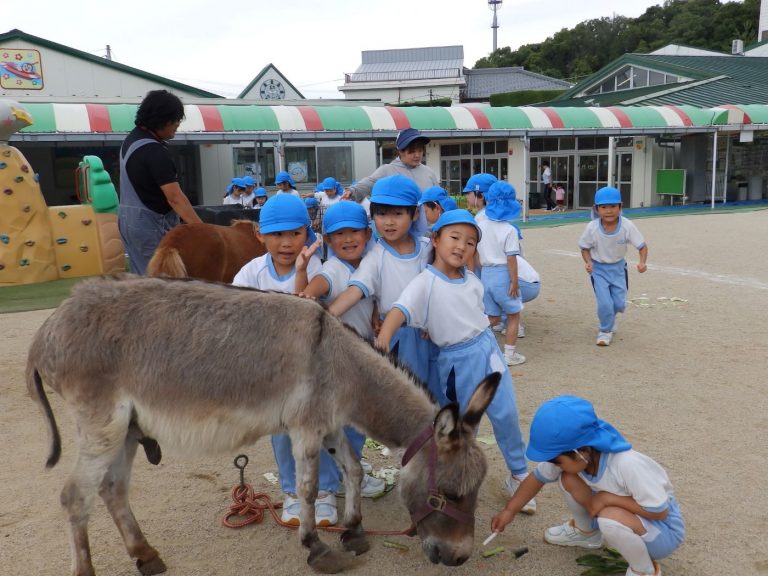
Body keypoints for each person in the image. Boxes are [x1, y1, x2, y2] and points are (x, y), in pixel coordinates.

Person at [375, 209, 536, 513]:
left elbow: (473, 314)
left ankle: (518, 473)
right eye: (454, 237)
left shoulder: (472, 280)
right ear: (435, 239)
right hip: (455, 365)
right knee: (462, 430)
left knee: (506, 413)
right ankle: (454, 480)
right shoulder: (424, 283)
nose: (462, 246)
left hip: (488, 352)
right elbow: (398, 311)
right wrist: (383, 339)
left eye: (471, 242)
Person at [231, 194, 340, 527]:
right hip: (272, 374)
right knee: (280, 434)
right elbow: (233, 312)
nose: (286, 242)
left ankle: (325, 493)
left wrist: (303, 270)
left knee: (317, 431)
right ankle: (292, 492)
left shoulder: (314, 267)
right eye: (276, 234)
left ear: (307, 233)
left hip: (310, 370)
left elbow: (307, 304)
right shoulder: (250, 273)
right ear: (260, 236)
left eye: (294, 233)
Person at [491, 396, 684, 576]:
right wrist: (509, 511)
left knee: (609, 518)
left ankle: (644, 570)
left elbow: (660, 512)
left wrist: (608, 498)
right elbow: (536, 478)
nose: (553, 465)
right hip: (633, 519)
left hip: (662, 532)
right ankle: (587, 534)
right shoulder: (578, 456)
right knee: (568, 478)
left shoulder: (626, 464)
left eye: (557, 461)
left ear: (581, 451)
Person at [295, 201, 386, 499]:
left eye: (354, 232)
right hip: (342, 360)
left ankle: (346, 469)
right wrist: (309, 293)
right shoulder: (333, 268)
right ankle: (345, 475)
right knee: (351, 421)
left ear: (368, 233)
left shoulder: (370, 263)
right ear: (329, 240)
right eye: (339, 234)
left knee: (354, 421)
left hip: (361, 355)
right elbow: (320, 284)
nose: (347, 239)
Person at [328, 175, 433, 386]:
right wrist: (324, 318)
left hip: (428, 335)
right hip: (395, 337)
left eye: (398, 213)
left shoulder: (427, 247)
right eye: (381, 214)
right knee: (401, 394)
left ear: (415, 214)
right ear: (372, 215)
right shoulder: (376, 256)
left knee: (432, 392)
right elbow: (354, 292)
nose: (389, 221)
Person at [118, 89, 202, 275]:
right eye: (175, 119)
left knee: (142, 277)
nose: (178, 125)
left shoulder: (131, 140)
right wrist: (202, 230)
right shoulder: (154, 151)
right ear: (162, 119)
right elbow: (175, 198)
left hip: (128, 221)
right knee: (161, 282)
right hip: (150, 225)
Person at [579, 186, 648, 346]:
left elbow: (642, 246)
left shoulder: (627, 226)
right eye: (603, 207)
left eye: (613, 206)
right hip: (599, 270)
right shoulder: (592, 227)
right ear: (596, 209)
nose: (608, 211)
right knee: (604, 303)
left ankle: (610, 318)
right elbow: (584, 248)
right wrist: (588, 262)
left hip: (618, 269)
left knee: (619, 304)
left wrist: (642, 262)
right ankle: (604, 331)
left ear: (620, 207)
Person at [477, 181, 526, 366]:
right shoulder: (509, 230)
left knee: (491, 317)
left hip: (485, 274)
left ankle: (473, 342)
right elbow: (511, 259)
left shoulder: (481, 225)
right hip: (502, 275)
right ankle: (509, 354)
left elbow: (475, 253)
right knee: (513, 315)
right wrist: (514, 282)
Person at [343, 128, 438, 203]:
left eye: (420, 151)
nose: (417, 155)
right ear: (400, 151)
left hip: (427, 226)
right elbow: (368, 182)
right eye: (412, 151)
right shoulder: (388, 170)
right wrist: (352, 191)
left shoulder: (429, 172)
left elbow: (439, 196)